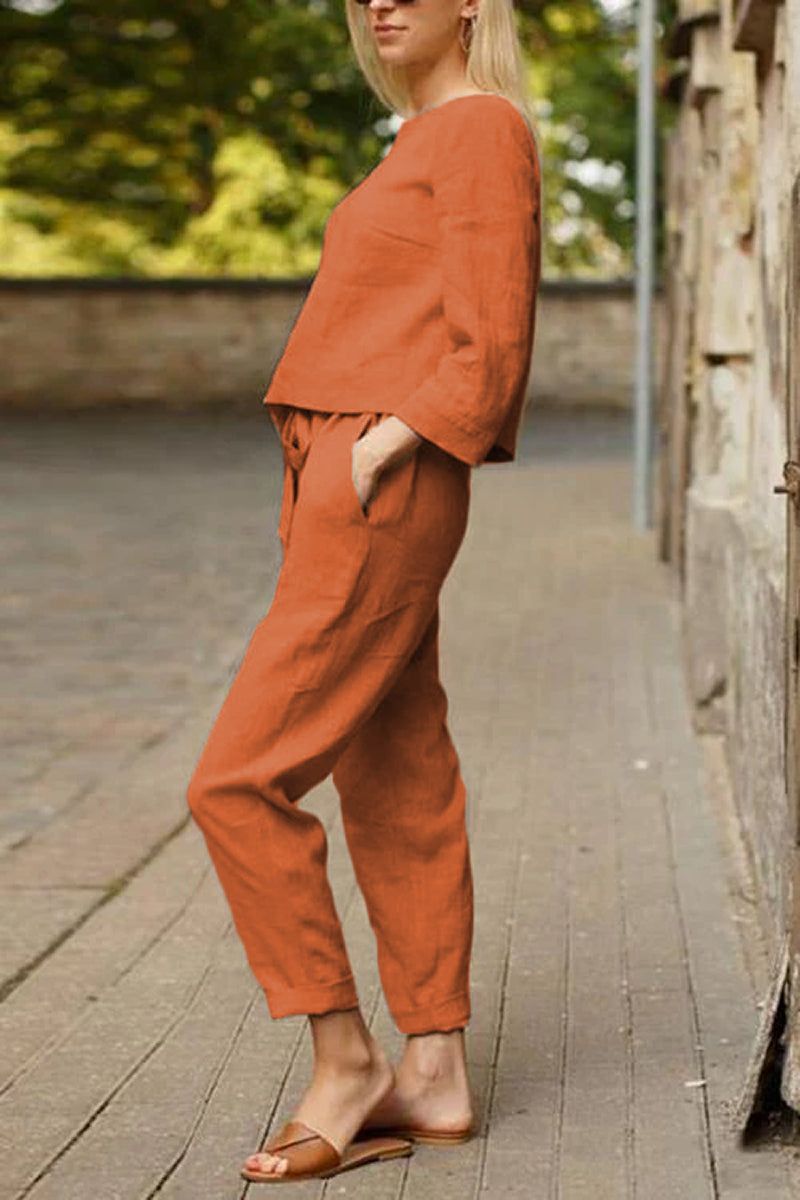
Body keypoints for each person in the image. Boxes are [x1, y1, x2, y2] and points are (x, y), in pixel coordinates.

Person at [185, 0, 542, 1185]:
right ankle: (432, 1072)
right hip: (346, 470)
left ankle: (344, 1059)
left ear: (472, 4)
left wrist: (390, 441)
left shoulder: (480, 127)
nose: (380, 2)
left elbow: (490, 334)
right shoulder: (422, 136)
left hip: (381, 471)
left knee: (235, 780)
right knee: (395, 770)